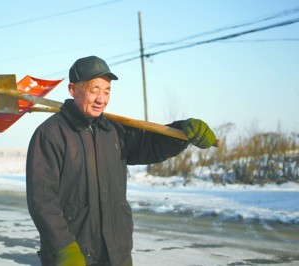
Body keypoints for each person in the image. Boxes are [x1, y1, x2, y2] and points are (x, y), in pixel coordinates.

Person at [26, 55, 216, 266]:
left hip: (116, 254)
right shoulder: (51, 134)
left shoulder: (113, 131)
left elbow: (151, 144)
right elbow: (42, 199)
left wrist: (182, 131)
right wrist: (64, 248)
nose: (102, 99)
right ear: (73, 89)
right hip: (74, 255)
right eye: (94, 89)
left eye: (107, 90)